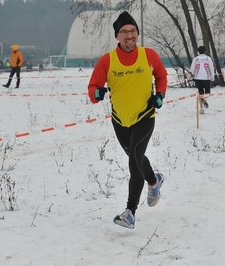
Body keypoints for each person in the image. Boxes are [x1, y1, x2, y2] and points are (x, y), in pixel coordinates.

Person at [88, 11, 167, 229]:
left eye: (132, 31)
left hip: (144, 116)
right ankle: (154, 180)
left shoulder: (149, 55)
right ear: (117, 36)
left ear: (137, 34)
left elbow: (161, 76)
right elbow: (93, 87)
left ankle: (130, 212)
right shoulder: (107, 60)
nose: (129, 35)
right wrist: (97, 94)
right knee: (138, 158)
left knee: (133, 160)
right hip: (120, 121)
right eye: (124, 32)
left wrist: (159, 96)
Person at [189, 46, 214, 114]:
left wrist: (192, 74)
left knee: (200, 93)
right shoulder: (208, 58)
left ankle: (202, 109)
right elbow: (211, 68)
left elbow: (192, 68)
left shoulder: (196, 59)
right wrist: (212, 76)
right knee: (208, 93)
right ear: (205, 51)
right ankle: (204, 99)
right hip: (206, 78)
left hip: (197, 78)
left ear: (198, 52)